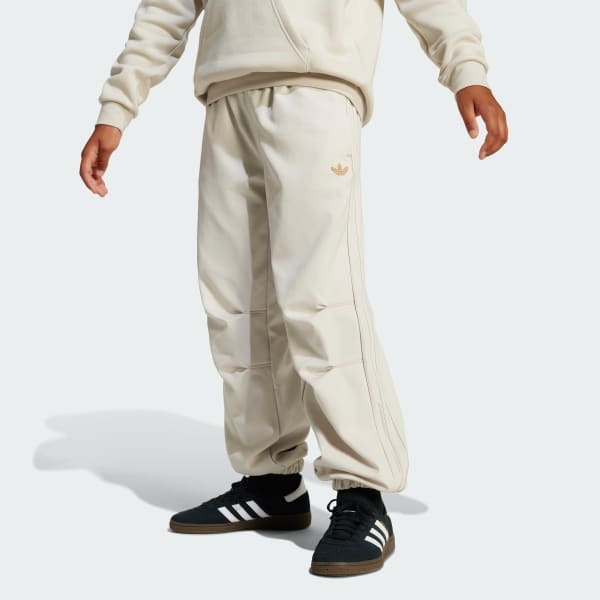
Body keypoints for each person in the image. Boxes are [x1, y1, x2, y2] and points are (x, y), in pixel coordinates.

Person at [79, 0, 508, 578]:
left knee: (322, 297)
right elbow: (167, 8)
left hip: (317, 88)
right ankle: (272, 480)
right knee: (235, 301)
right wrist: (116, 108)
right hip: (227, 96)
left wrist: (467, 70)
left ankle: (364, 490)